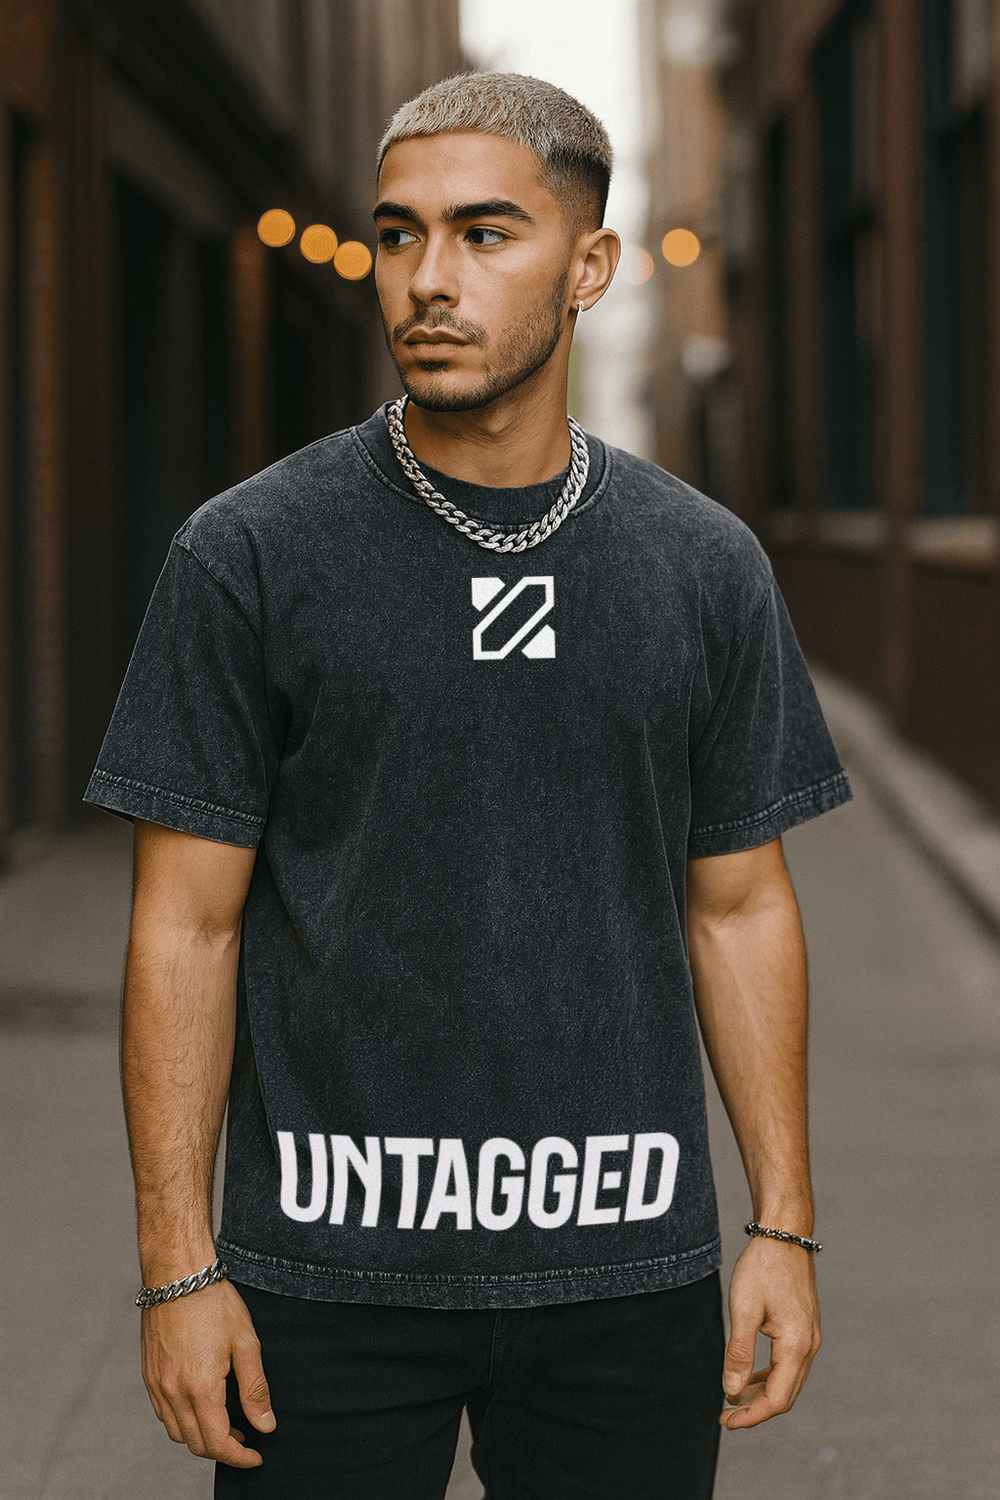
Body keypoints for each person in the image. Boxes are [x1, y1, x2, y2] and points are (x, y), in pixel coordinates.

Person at [86, 72, 850, 1500]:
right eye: (398, 235)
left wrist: (784, 1227)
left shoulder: (699, 568)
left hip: (624, 1265)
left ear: (591, 265)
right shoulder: (249, 556)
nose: (427, 281)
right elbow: (182, 926)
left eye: (486, 234)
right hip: (325, 1270)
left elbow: (739, 904)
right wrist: (176, 1268)